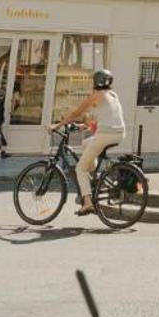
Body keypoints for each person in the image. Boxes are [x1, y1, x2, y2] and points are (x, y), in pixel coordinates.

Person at [51, 68, 124, 215]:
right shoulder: (113, 95)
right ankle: (94, 177)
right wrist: (82, 126)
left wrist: (57, 125)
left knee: (80, 168)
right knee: (86, 143)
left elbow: (77, 113)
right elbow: (100, 119)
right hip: (119, 134)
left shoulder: (97, 95)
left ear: (96, 82)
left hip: (105, 135)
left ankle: (88, 203)